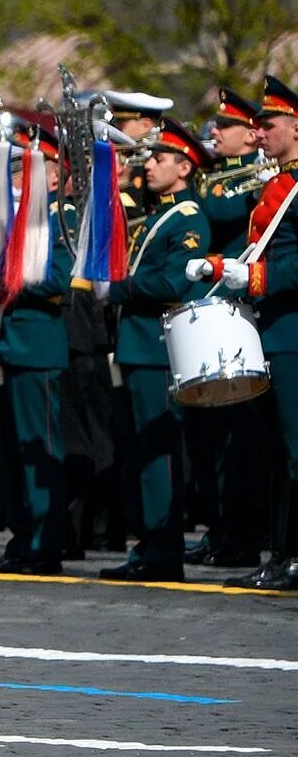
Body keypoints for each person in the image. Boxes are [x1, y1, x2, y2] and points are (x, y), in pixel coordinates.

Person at [199, 75, 298, 590]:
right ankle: (282, 554)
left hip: (294, 333)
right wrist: (220, 269)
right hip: (275, 331)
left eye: (269, 124)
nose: (259, 133)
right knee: (280, 452)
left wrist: (254, 277)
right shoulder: (279, 184)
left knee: (296, 449)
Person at [102, 117, 212, 582]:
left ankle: (164, 549)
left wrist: (119, 289)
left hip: (158, 346)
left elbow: (174, 280)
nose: (150, 164)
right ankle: (149, 543)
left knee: (159, 452)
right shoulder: (159, 214)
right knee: (139, 451)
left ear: (184, 167)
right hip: (137, 345)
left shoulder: (187, 218)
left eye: (161, 158)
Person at [0, 126, 76, 577]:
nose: (24, 172)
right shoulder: (22, 216)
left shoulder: (62, 216)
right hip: (13, 342)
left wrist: (9, 275)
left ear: (56, 175)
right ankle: (22, 539)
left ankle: (44, 543)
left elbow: (58, 278)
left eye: (37, 164)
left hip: (38, 344)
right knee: (15, 450)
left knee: (41, 449)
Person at [185, 87, 269, 568]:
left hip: (237, 309)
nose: (214, 131)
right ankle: (219, 528)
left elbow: (214, 212)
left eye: (225, 125)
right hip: (210, 308)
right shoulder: (218, 176)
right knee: (209, 435)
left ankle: (240, 533)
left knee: (238, 435)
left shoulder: (248, 178)